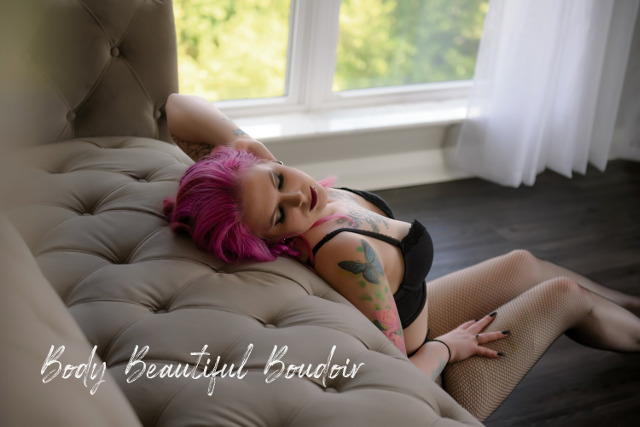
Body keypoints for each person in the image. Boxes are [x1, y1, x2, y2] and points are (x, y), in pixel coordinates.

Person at [163, 93, 640, 421]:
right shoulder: (345, 253)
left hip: (422, 320)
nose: (298, 197)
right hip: (441, 382)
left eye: (280, 181)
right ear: (268, 237)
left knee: (523, 264)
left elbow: (176, 105)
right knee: (563, 294)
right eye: (278, 215)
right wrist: (445, 348)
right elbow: (396, 377)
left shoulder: (271, 180)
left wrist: (248, 148)